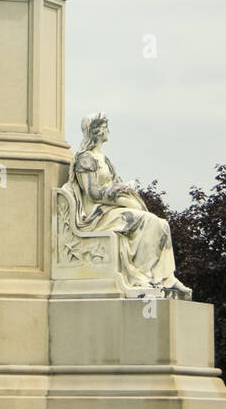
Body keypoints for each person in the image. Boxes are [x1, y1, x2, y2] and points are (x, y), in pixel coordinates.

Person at [60, 113, 192, 298]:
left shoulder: (103, 158)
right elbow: (93, 193)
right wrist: (122, 188)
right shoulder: (85, 159)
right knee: (146, 221)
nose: (108, 130)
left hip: (111, 208)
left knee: (160, 223)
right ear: (95, 131)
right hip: (96, 214)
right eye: (104, 126)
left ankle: (164, 277)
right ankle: (146, 276)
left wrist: (123, 190)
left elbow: (111, 185)